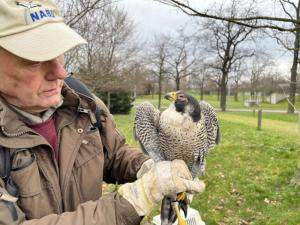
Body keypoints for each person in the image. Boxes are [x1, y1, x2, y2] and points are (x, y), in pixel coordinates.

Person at [0, 1, 205, 225]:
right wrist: (134, 201)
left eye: (60, 53)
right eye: (35, 60)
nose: (60, 72)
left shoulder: (82, 103)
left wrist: (146, 168)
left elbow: (112, 153)